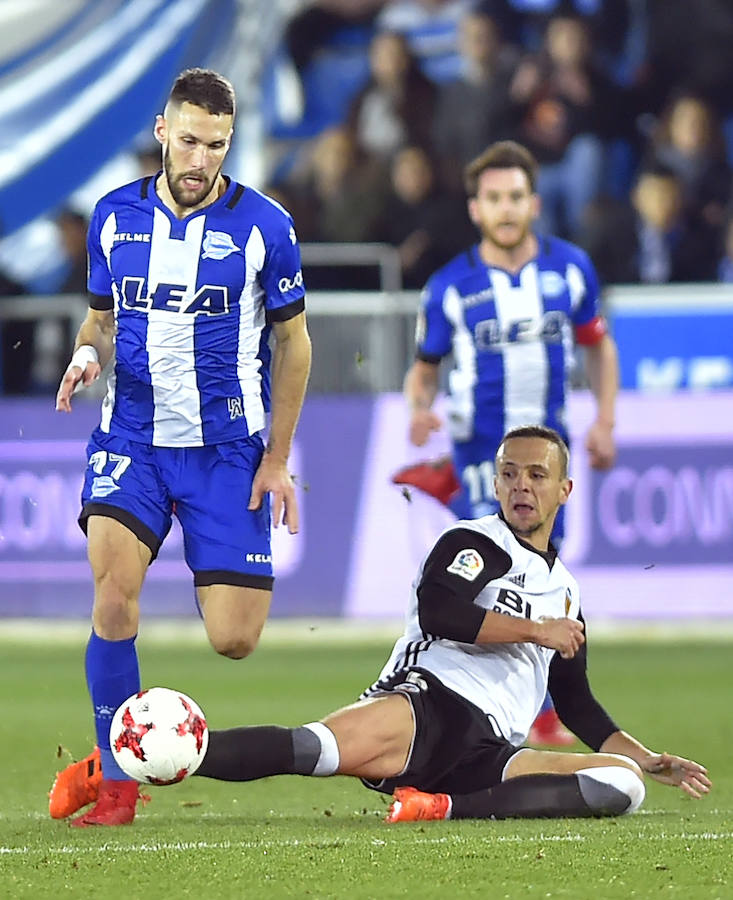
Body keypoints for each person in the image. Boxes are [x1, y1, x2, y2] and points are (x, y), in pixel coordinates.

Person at [191, 426, 711, 823]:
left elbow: (575, 703)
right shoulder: (476, 541)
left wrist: (646, 759)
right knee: (311, 748)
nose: (521, 486)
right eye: (509, 473)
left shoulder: (565, 591)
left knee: (623, 786)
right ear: (495, 481)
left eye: (536, 475)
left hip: (490, 751)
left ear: (565, 489)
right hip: (429, 707)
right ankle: (174, 752)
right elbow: (440, 610)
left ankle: (440, 807)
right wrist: (536, 631)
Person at [47, 68, 312, 827]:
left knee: (234, 639)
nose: (200, 160)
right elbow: (100, 321)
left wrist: (276, 457)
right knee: (112, 596)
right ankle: (120, 787)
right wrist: (85, 356)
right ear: (164, 132)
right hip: (131, 437)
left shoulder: (265, 227)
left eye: (217, 146)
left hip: (228, 448)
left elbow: (294, 346)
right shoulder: (112, 216)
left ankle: (115, 753)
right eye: (189, 140)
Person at [391, 139, 618, 745]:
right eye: (494, 198)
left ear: (534, 202)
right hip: (479, 452)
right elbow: (425, 365)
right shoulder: (448, 287)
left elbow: (598, 346)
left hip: (547, 451)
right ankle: (462, 700)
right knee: (486, 574)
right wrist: (419, 408)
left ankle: (536, 709)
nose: (507, 209)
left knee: (543, 577)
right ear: (476, 210)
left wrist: (605, 421)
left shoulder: (570, 270)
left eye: (516, 196)